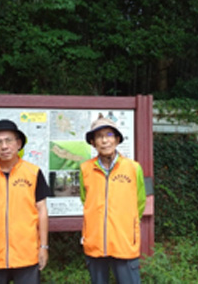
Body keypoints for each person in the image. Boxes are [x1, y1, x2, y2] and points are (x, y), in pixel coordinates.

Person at [0, 119, 50, 284]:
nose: (4, 146)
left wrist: (43, 247)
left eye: (9, 140)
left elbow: (42, 211)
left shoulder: (33, 173)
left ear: (18, 144)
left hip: (27, 253)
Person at [79, 114, 146, 284]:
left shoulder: (133, 168)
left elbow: (140, 202)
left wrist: (126, 225)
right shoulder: (86, 169)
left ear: (117, 140)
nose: (104, 141)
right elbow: (85, 199)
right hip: (95, 241)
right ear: (93, 142)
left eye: (109, 135)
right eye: (99, 136)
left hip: (123, 241)